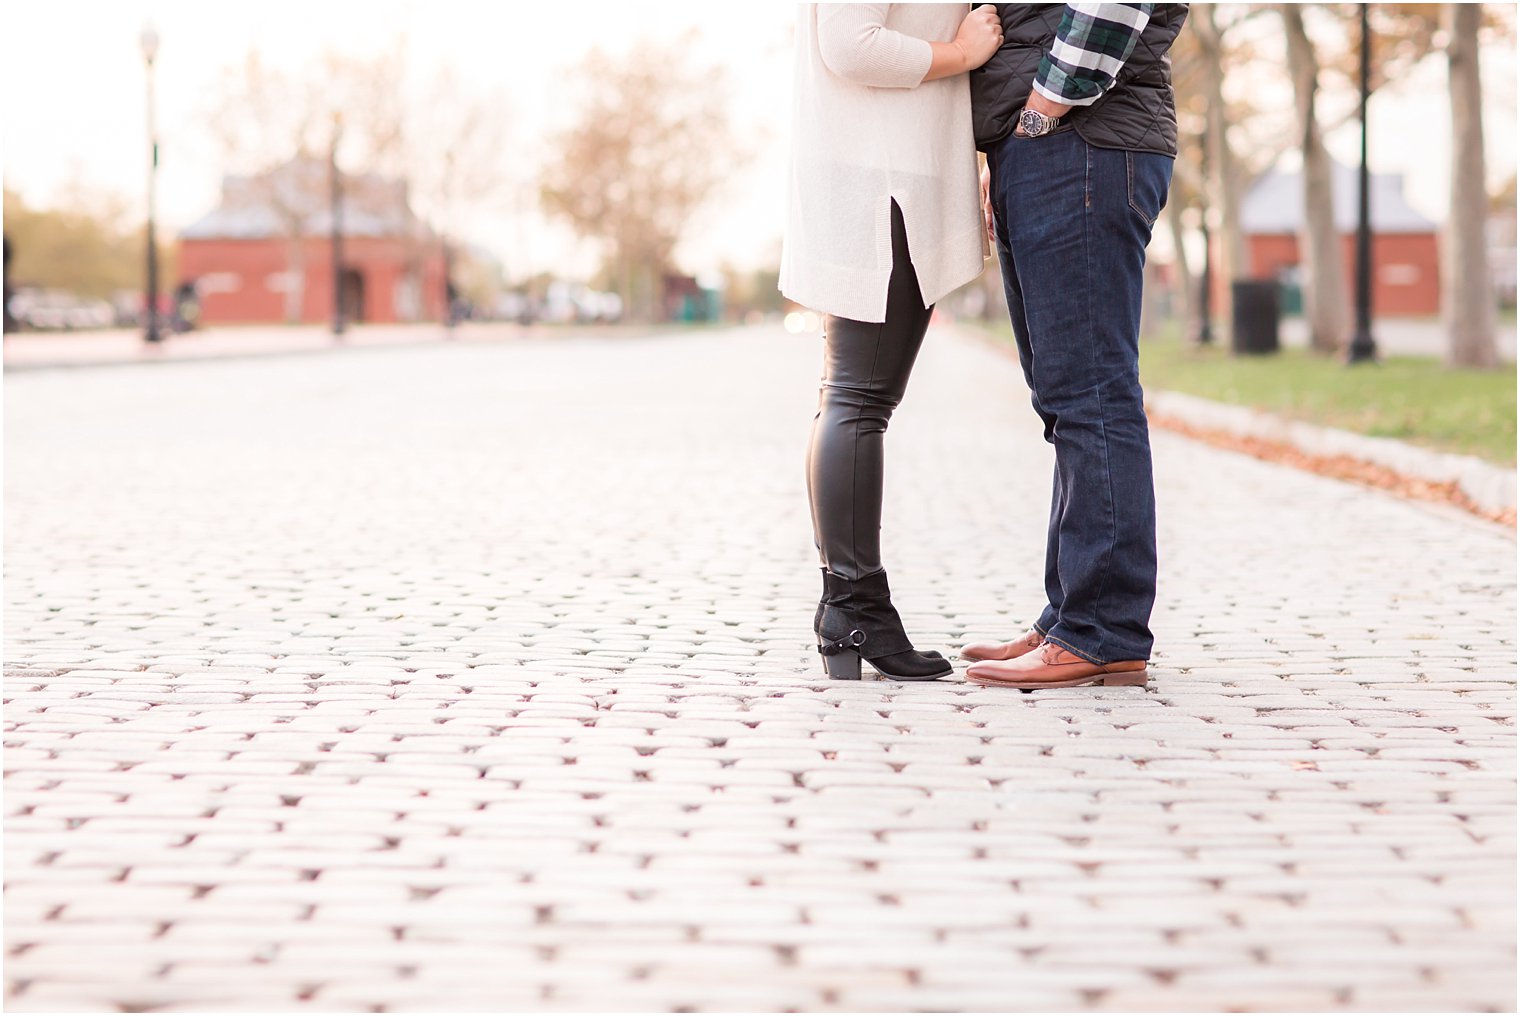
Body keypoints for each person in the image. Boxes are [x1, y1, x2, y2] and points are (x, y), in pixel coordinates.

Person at [960, 3, 1188, 690]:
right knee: (1064, 396)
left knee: (1090, 392)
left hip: (1080, 141)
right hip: (1055, 144)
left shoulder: (1056, 124)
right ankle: (1071, 618)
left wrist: (1039, 112)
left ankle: (1103, 630)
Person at [781, 4, 1003, 682]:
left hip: (887, 173)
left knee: (851, 396)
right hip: (883, 179)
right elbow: (850, 44)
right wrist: (960, 53)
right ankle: (853, 607)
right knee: (858, 396)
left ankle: (851, 605)